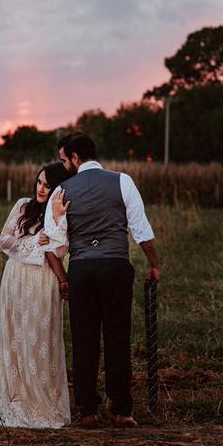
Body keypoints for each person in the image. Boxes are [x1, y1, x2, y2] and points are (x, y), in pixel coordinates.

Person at [44, 132, 162, 428]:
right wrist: (155, 265)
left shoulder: (62, 192)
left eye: (64, 159)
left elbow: (55, 245)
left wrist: (63, 274)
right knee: (117, 337)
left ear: (75, 158)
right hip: (115, 267)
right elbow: (141, 230)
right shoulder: (123, 181)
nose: (64, 165)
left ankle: (88, 410)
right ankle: (121, 409)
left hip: (82, 269)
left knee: (84, 339)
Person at [0, 162, 73, 428]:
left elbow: (62, 250)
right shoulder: (22, 206)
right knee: (17, 338)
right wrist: (32, 241)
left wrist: (51, 235)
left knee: (41, 337)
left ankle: (43, 404)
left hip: (43, 281)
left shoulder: (62, 214)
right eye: (39, 183)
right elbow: (4, 240)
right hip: (15, 277)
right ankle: (18, 402)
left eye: (47, 185)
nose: (41, 189)